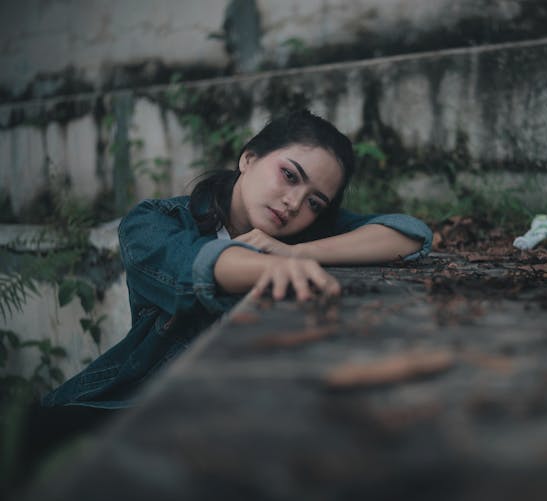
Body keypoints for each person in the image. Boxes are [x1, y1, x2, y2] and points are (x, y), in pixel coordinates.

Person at [40, 109, 432, 410]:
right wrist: (273, 266)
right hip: (123, 407)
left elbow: (410, 234)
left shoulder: (298, 236)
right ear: (248, 158)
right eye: (289, 176)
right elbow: (194, 267)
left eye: (315, 202)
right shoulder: (154, 221)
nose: (294, 204)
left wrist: (299, 251)